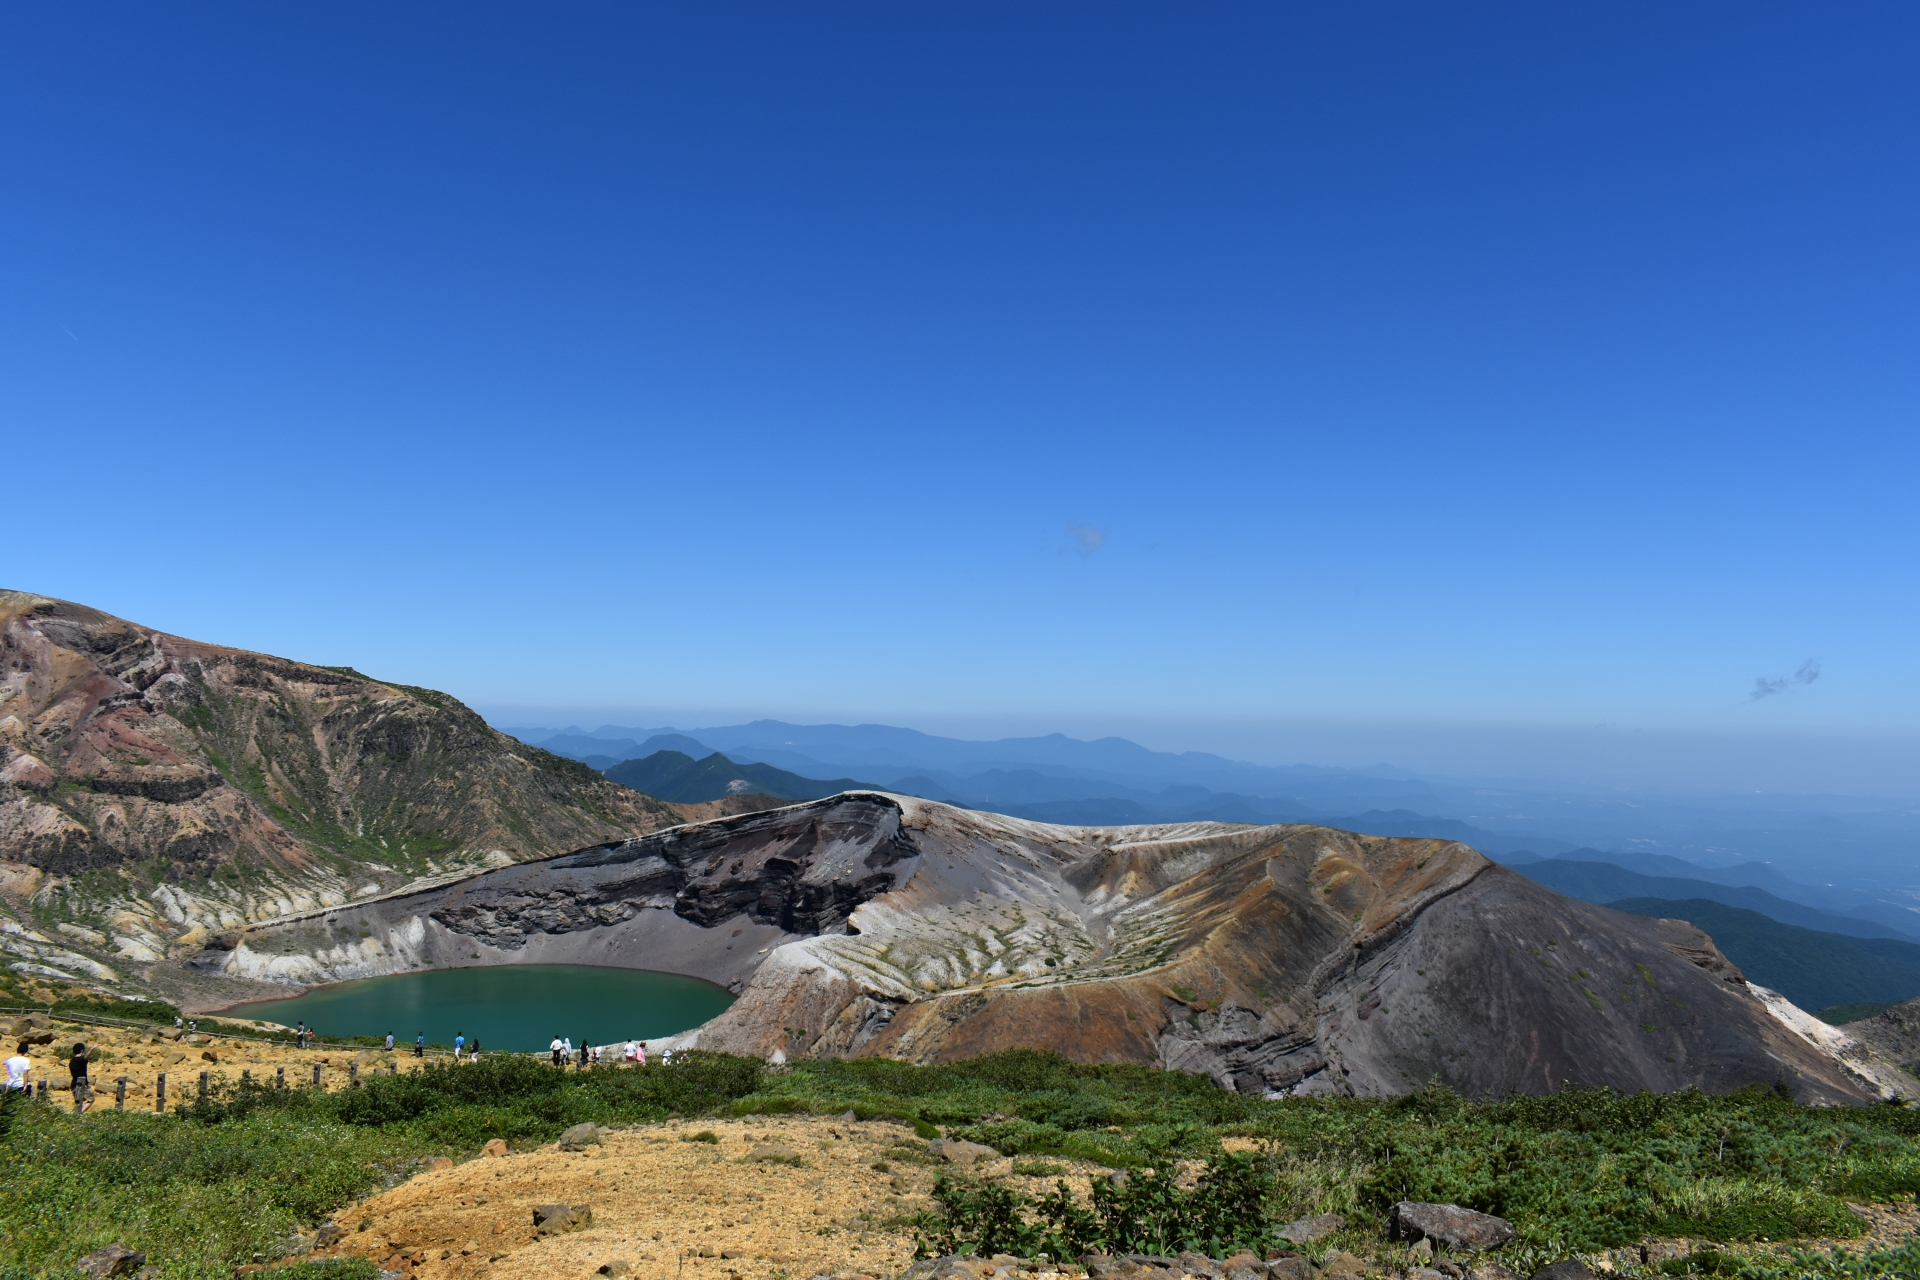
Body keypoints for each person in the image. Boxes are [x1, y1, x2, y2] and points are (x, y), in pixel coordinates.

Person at [68, 1042, 93, 1114]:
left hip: (73, 1084)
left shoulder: (72, 1061)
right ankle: (78, 1114)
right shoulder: (81, 1060)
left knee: (79, 1102)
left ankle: (77, 1114)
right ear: (82, 1051)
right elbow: (85, 1058)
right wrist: (92, 1049)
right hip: (82, 1084)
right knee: (91, 1099)